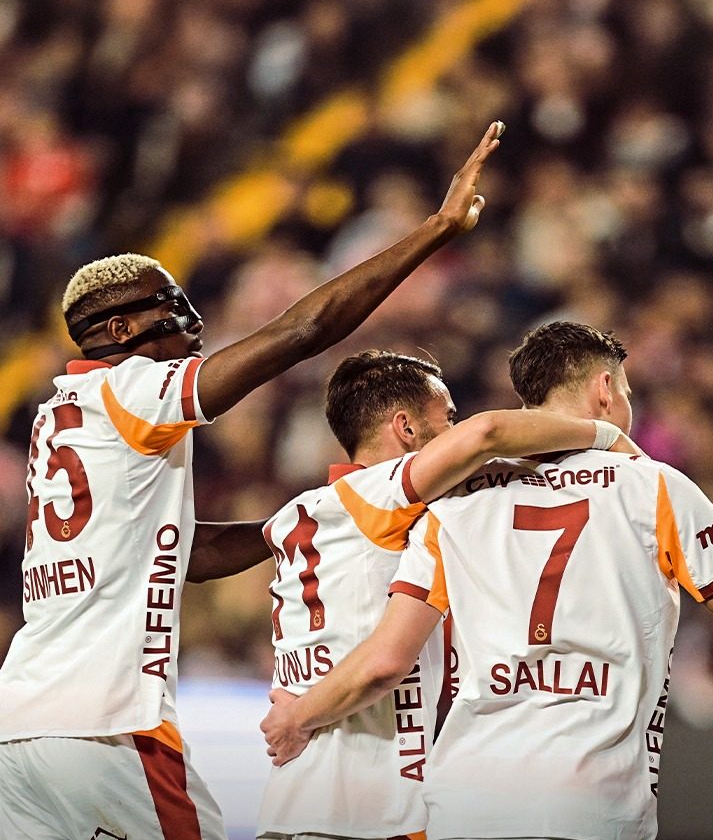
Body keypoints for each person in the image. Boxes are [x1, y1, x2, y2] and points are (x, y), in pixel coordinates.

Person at [0, 122, 504, 840]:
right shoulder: (132, 390)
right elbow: (302, 332)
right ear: (120, 333)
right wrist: (435, 231)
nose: (194, 324)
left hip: (21, 727)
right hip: (107, 724)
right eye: (173, 309)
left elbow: (188, 554)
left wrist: (306, 528)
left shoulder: (58, 415)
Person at [261, 320, 713, 840]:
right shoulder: (654, 488)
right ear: (605, 390)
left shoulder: (452, 506)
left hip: (463, 802)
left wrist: (299, 714)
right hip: (589, 801)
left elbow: (386, 656)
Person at [257, 348, 636, 839]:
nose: (456, 431)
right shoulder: (380, 496)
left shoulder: (298, 514)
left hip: (296, 796)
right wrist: (605, 435)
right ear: (406, 428)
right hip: (368, 805)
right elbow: (488, 433)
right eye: (448, 419)